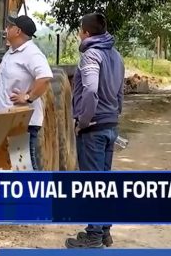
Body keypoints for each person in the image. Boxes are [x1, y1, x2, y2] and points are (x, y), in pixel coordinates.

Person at [65, 13, 125, 249]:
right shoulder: (116, 56)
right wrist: (114, 113)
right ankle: (103, 232)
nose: (80, 34)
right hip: (110, 125)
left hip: (93, 127)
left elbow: (89, 90)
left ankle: (93, 237)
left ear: (87, 33)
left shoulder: (91, 55)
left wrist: (83, 121)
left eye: (81, 30)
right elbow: (120, 91)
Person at [0, 15, 53, 170]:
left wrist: (27, 97)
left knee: (26, 166)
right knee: (13, 166)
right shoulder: (11, 52)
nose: (6, 29)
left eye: (9, 27)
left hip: (22, 122)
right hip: (8, 121)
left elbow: (45, 78)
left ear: (18, 31)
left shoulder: (31, 53)